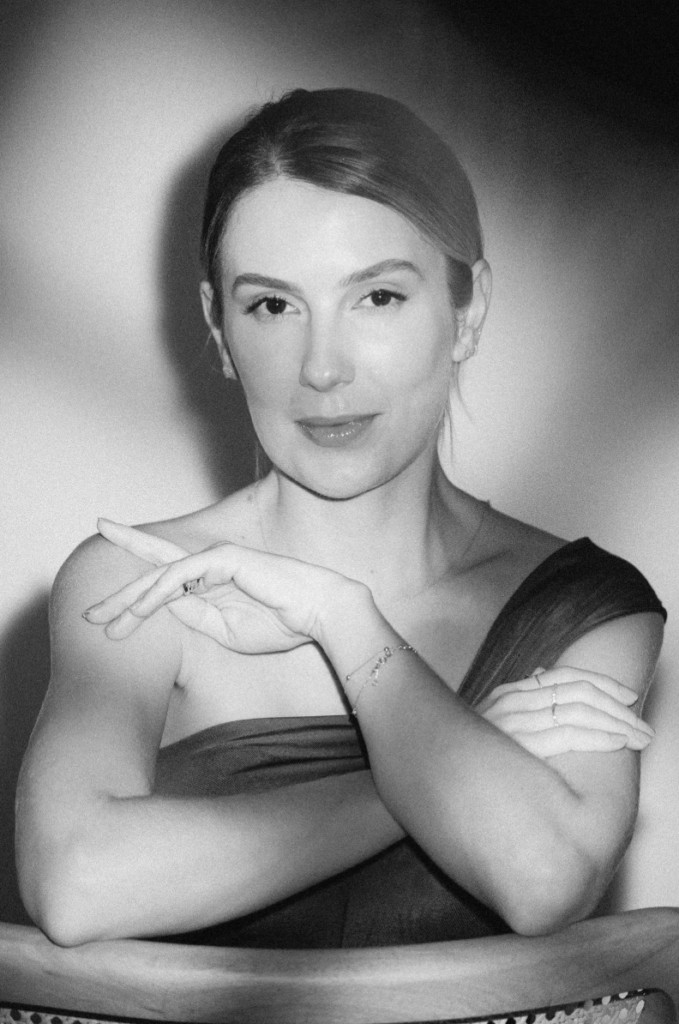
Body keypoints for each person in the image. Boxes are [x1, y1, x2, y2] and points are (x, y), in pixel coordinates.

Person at [16, 88, 665, 950]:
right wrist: (437, 767)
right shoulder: (140, 579)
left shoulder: (581, 605)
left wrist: (343, 621)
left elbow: (542, 879)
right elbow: (77, 885)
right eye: (272, 306)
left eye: (378, 298)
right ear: (218, 326)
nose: (321, 368)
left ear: (466, 311)